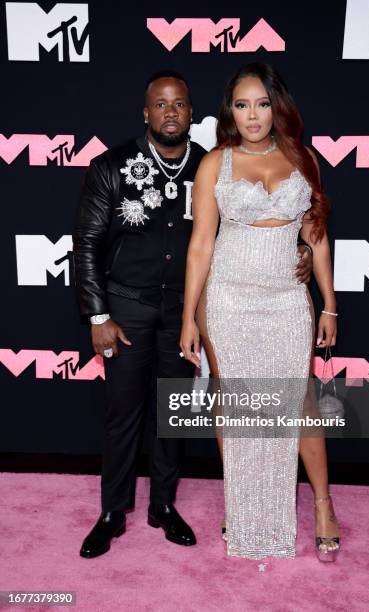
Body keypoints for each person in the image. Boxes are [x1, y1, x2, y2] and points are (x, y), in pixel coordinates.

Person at [73, 69, 312, 559]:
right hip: (129, 310)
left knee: (172, 415)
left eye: (179, 104)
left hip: (186, 309)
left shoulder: (211, 164)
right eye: (160, 104)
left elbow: (249, 228)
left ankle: (163, 504)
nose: (170, 112)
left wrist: (299, 251)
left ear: (191, 112)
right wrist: (98, 316)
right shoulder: (111, 165)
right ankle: (113, 513)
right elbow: (87, 245)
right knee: (124, 415)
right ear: (146, 112)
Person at [180, 63, 340, 561]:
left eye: (262, 103)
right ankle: (242, 503)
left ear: (278, 106)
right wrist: (189, 316)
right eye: (242, 104)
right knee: (235, 407)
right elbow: (201, 245)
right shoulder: (215, 164)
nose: (253, 114)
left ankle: (323, 506)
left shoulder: (303, 158)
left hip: (285, 299)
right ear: (230, 110)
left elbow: (315, 237)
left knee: (300, 405)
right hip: (227, 300)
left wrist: (329, 305)